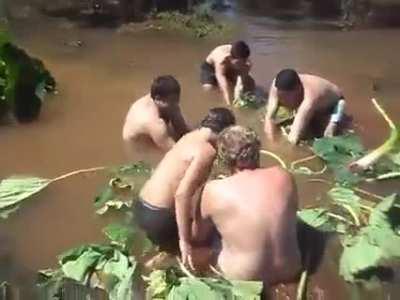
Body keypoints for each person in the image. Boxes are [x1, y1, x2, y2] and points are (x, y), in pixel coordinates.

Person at [192, 126, 301, 288]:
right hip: (291, 268)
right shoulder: (284, 175)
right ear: (257, 151)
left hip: (246, 278)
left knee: (211, 239)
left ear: (224, 158)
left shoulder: (213, 190)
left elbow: (198, 236)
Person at [135, 108, 236, 262]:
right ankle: (169, 256)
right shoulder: (207, 151)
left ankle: (163, 252)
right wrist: (185, 241)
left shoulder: (189, 137)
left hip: (141, 207)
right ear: (225, 134)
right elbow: (182, 195)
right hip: (159, 219)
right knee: (213, 242)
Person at [264, 69, 346, 145]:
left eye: (286, 97)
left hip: (335, 104)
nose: (283, 100)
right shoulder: (276, 85)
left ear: (298, 89)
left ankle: (332, 122)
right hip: (313, 105)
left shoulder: (310, 97)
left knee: (328, 135)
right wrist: (272, 142)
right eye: (281, 97)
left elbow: (293, 138)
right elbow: (269, 117)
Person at [122, 75, 190, 151]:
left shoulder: (162, 100)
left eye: (176, 100)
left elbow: (183, 130)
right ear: (157, 99)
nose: (175, 104)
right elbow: (175, 152)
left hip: (155, 131)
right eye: (171, 101)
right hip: (139, 144)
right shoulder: (154, 123)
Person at [201, 41, 256, 105]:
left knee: (250, 84)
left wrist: (238, 97)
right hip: (210, 67)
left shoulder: (246, 63)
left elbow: (240, 83)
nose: (244, 63)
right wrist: (228, 103)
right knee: (209, 88)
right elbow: (223, 82)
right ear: (230, 58)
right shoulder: (221, 59)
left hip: (231, 67)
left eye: (245, 60)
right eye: (241, 62)